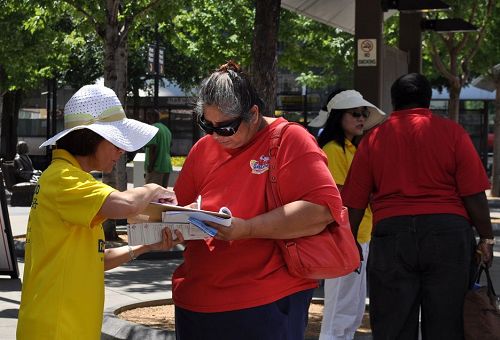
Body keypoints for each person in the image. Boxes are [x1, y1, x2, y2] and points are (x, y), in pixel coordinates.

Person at [171, 60, 344, 340]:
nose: (216, 135)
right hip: (197, 298)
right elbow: (179, 207)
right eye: (207, 124)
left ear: (253, 113)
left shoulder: (290, 139)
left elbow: (322, 209)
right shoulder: (204, 147)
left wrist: (247, 228)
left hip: (266, 298)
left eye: (226, 127)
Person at [16, 85, 184, 340]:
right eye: (115, 141)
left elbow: (97, 259)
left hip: (63, 325)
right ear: (90, 137)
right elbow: (125, 206)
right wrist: (153, 187)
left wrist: (145, 246)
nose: (121, 151)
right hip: (58, 328)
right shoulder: (65, 178)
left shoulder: (65, 178)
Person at [342, 73, 494, 339]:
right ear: (428, 100)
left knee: (393, 323)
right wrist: (487, 238)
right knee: (448, 324)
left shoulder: (373, 139)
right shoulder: (453, 133)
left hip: (392, 235)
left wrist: (348, 242)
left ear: (393, 101)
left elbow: (354, 201)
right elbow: (473, 194)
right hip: (448, 235)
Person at [315, 90, 385, 340]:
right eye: (355, 114)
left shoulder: (353, 148)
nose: (361, 119)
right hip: (343, 236)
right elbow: (342, 193)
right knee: (339, 310)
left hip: (359, 234)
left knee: (352, 309)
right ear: (338, 117)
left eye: (364, 114)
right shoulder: (334, 149)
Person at [144, 110, 173, 187]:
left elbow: (153, 147)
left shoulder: (152, 128)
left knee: (152, 194)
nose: (148, 119)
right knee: (162, 195)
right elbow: (170, 145)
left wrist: (150, 166)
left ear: (152, 117)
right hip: (166, 166)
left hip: (156, 167)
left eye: (148, 117)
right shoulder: (166, 130)